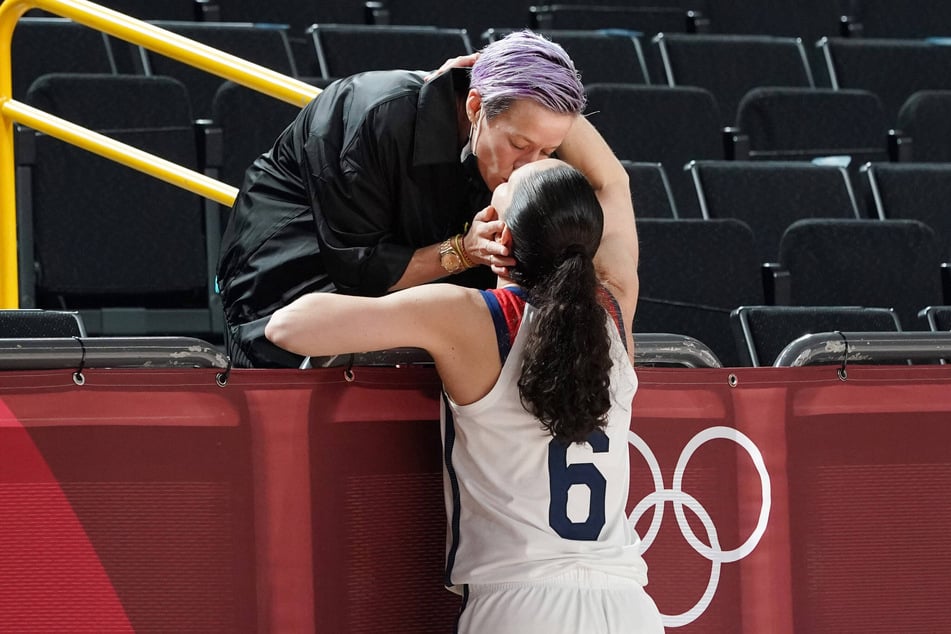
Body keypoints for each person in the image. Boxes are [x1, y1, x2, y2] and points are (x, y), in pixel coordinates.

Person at [264, 159, 662, 633]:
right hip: (628, 607)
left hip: (521, 607)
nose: (507, 173)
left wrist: (459, 255)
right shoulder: (615, 311)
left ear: (504, 238)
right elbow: (614, 180)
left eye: (508, 184)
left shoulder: (468, 318)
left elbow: (287, 326)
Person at [217, 30, 636, 368]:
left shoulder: (517, 129)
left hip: (405, 297)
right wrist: (462, 252)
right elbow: (358, 272)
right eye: (519, 144)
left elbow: (612, 184)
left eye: (546, 152)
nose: (529, 166)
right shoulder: (376, 113)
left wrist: (532, 72)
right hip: (287, 282)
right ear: (475, 105)